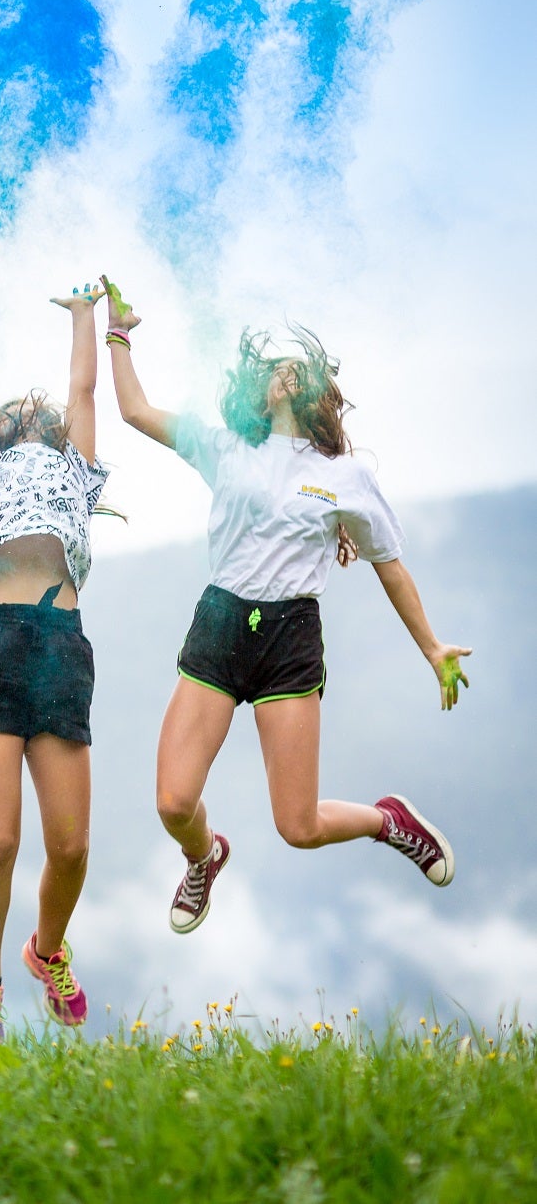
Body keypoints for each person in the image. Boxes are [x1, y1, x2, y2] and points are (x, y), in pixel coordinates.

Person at [106, 279, 471, 935]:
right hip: (220, 623)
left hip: (289, 637)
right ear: (260, 386)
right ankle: (204, 854)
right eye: (274, 366)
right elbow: (133, 410)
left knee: (298, 827)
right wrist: (119, 333)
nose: (284, 372)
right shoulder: (224, 445)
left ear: (316, 393)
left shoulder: (346, 477)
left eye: (295, 367)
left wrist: (432, 646)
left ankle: (390, 820)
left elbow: (390, 565)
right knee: (172, 800)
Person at [0, 252, 112, 1044]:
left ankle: (47, 948)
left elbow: (82, 392)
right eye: (21, 418)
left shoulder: (77, 467)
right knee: (1, 836)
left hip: (59, 641)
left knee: (70, 844)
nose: (31, 421)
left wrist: (86, 316)